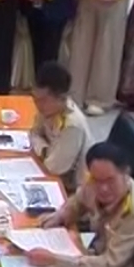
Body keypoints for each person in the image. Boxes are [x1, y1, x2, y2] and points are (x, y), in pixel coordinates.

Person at [30, 141, 134, 267]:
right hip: (99, 250)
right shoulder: (94, 179)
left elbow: (110, 263)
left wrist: (55, 260)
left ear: (126, 174)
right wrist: (62, 215)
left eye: (110, 180)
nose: (103, 188)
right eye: (97, 180)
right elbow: (78, 200)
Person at [30, 61, 92, 194]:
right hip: (51, 172)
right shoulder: (48, 109)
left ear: (61, 98)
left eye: (43, 100)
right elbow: (33, 133)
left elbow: (54, 167)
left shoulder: (72, 126)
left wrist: (42, 149)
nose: (37, 105)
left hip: (72, 190)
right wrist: (46, 150)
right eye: (35, 98)